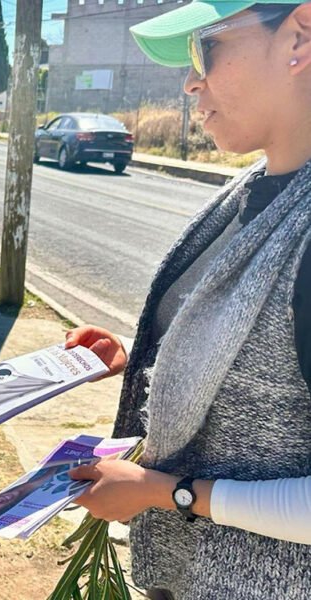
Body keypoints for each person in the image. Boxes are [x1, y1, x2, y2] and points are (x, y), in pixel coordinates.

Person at [62, 2, 311, 598]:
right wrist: (147, 360)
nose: (191, 80)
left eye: (207, 49)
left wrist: (164, 491)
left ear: (299, 37)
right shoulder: (248, 189)